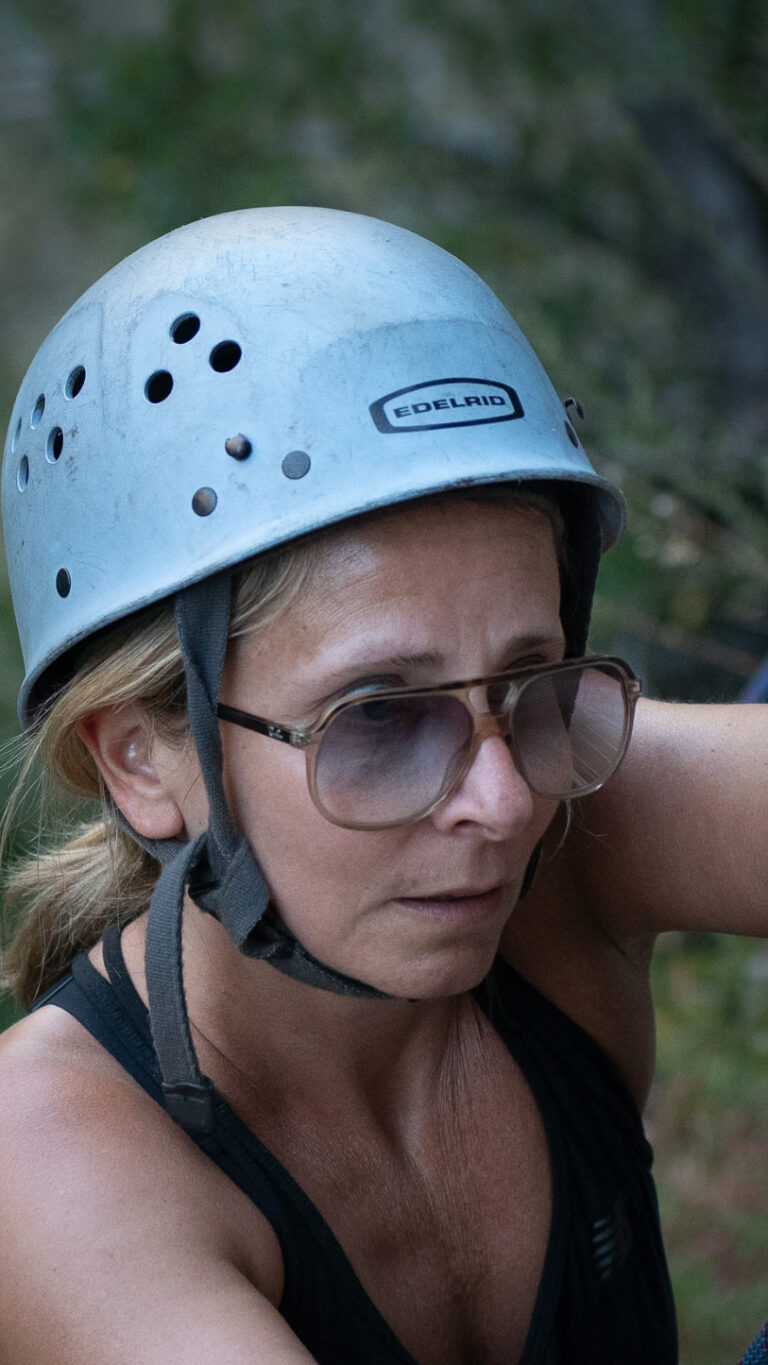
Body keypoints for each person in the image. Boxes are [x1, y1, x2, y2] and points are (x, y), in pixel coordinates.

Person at [0, 207, 764, 1365]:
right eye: (378, 719)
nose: (504, 804)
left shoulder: (557, 802)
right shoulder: (50, 1167)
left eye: (529, 681)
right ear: (142, 760)